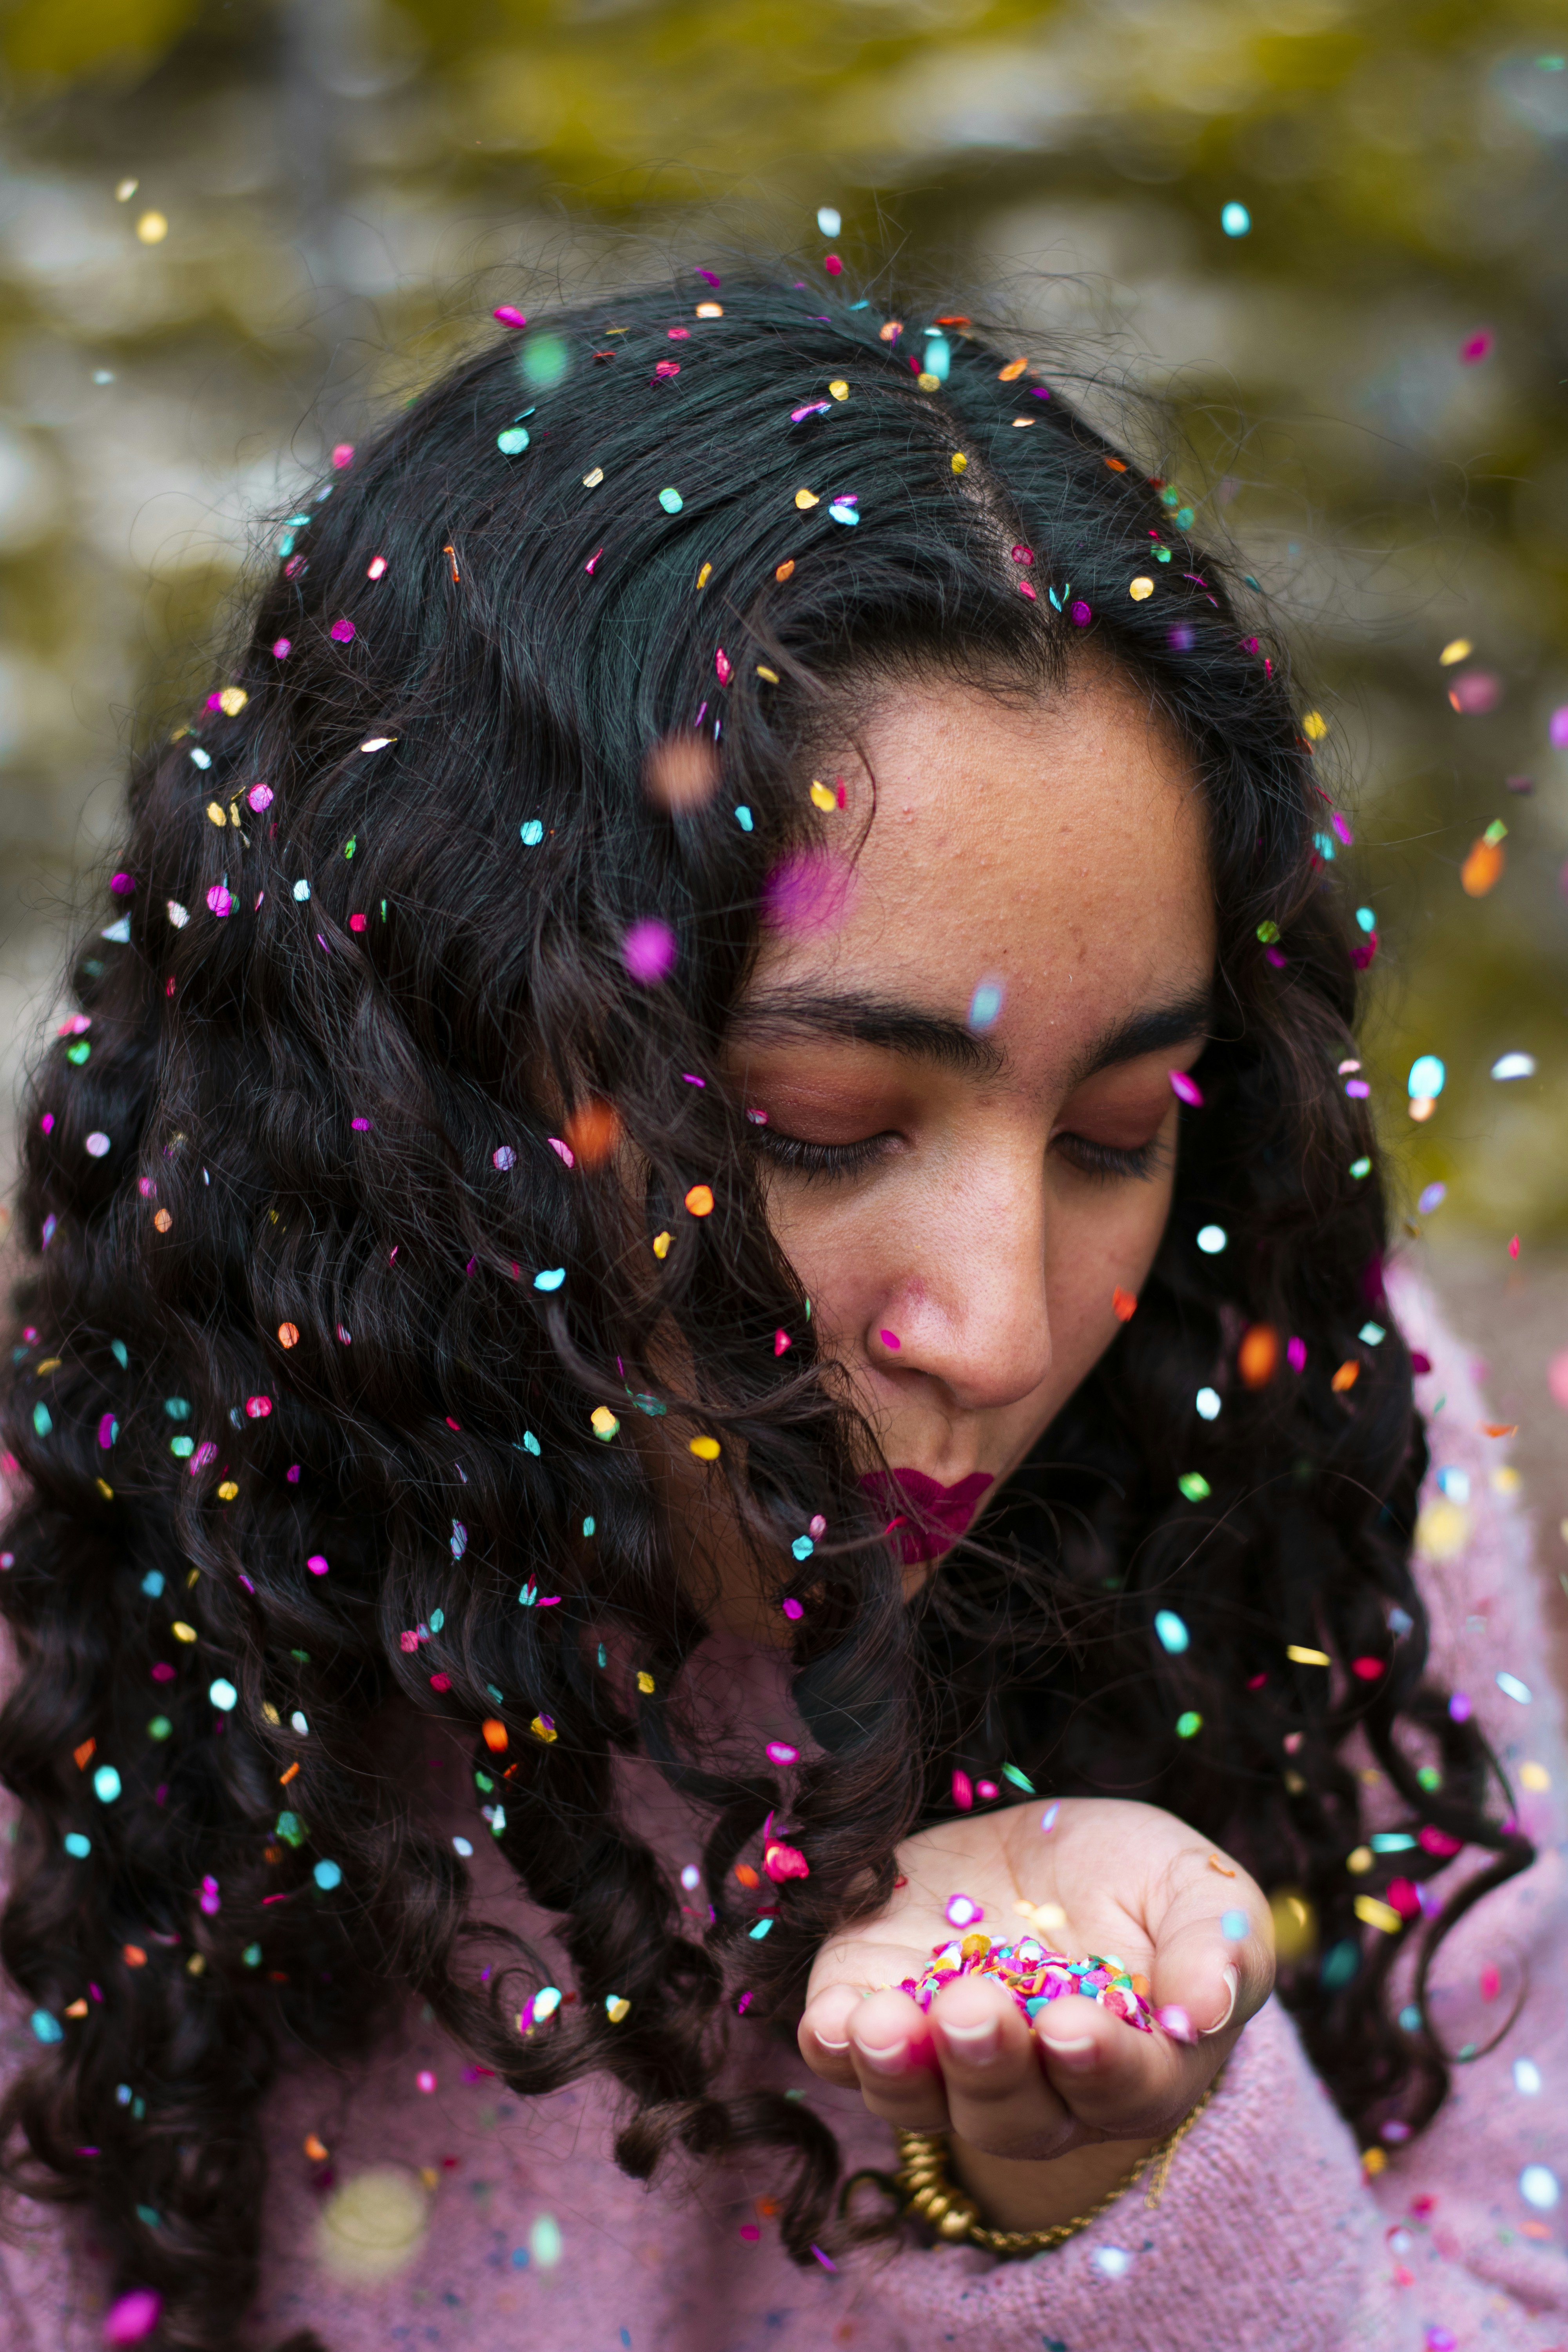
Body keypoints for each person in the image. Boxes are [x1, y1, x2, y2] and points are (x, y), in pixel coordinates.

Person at [0, 267, 1562, 2352]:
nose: (1001, 1331)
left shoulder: (1294, 1436)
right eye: (825, 1127)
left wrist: (1101, 2191)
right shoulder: (85, 1557)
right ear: (431, 1085)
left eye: (1116, 1132)